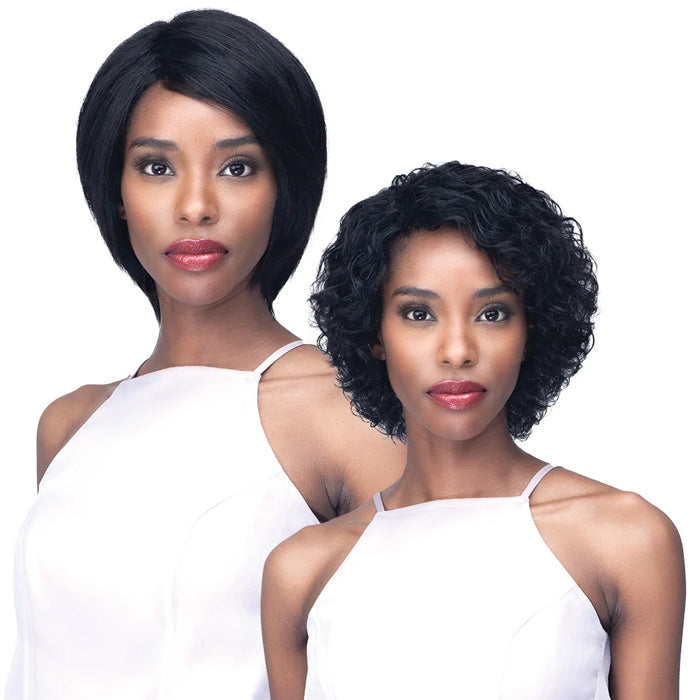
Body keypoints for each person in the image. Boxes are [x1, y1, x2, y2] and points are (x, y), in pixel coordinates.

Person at [6, 10, 404, 700]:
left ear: (284, 189)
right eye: (156, 167)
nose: (195, 206)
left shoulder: (344, 411)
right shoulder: (68, 426)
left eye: (237, 167)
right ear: (117, 192)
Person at [261, 162, 685, 699]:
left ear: (532, 328)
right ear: (374, 334)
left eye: (492, 314)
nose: (457, 351)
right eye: (419, 314)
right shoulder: (302, 571)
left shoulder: (626, 539)